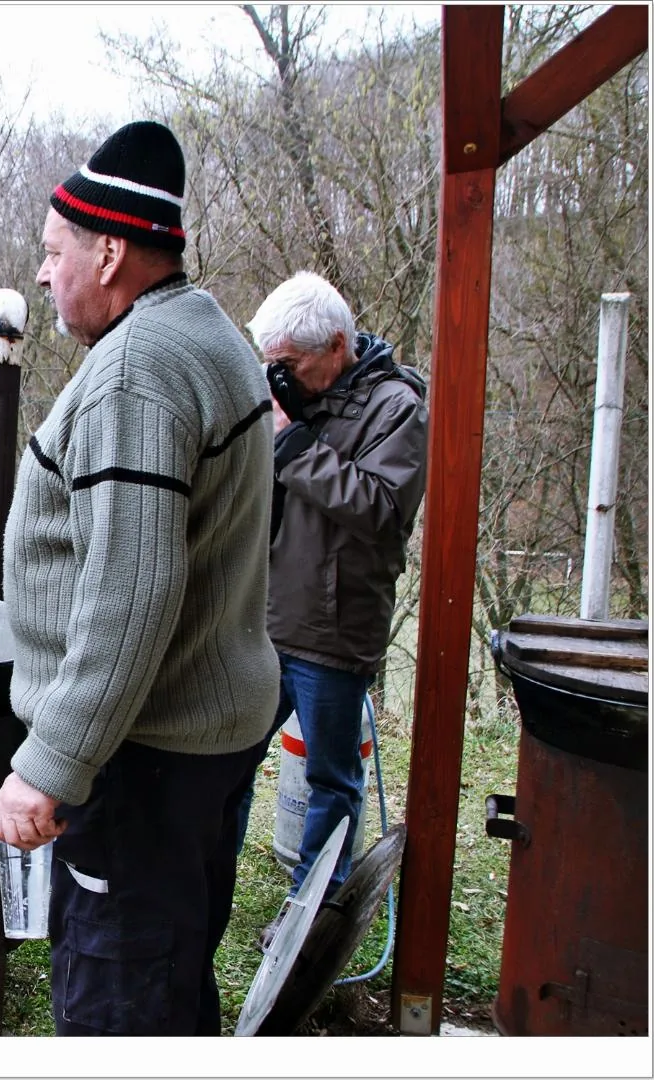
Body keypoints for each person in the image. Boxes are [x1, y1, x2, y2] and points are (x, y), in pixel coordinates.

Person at [0, 121, 278, 1036]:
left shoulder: (135, 373)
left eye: (54, 252)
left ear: (109, 253)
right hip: (198, 743)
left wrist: (50, 765)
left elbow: (131, 595)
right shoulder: (206, 330)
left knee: (119, 1005)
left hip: (141, 761)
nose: (43, 275)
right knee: (170, 978)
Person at [237, 271, 429, 948]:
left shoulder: (397, 408)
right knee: (227, 759)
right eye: (271, 362)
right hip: (262, 622)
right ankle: (207, 875)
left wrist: (293, 444)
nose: (278, 376)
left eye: (289, 363)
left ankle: (308, 916)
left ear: (338, 346)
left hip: (333, 629)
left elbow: (381, 509)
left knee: (331, 780)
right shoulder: (291, 395)